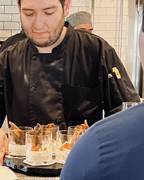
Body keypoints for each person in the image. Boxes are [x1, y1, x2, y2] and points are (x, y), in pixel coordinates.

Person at [0, 0, 140, 164]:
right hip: (24, 169)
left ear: (66, 6)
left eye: (48, 12)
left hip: (83, 168)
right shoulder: (9, 57)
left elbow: (128, 112)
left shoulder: (95, 50)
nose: (38, 24)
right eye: (29, 13)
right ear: (19, 8)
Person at [60, 11, 144, 180]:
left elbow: (124, 100)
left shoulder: (99, 51)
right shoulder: (13, 52)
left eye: (90, 30)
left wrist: (112, 135)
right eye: (82, 31)